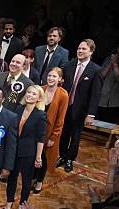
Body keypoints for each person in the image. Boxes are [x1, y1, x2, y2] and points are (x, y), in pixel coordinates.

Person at [57, 40, 104, 173]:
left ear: (91, 51)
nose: (80, 51)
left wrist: (91, 114)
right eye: (79, 48)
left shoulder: (96, 70)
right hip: (66, 107)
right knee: (64, 134)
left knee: (75, 136)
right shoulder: (69, 65)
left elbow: (95, 94)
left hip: (81, 110)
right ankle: (63, 156)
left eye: (84, 49)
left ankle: (70, 159)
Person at [4, 85, 47, 209]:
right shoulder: (18, 109)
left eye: (34, 94)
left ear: (39, 98)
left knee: (26, 180)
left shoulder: (40, 115)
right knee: (12, 177)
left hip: (28, 153)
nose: (29, 95)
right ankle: (9, 201)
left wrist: (38, 157)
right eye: (28, 92)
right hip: (14, 151)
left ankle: (22, 204)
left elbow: (41, 138)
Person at [33, 68, 69, 192]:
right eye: (49, 75)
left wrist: (54, 137)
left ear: (59, 79)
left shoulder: (63, 94)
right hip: (36, 130)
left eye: (54, 76)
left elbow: (61, 118)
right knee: (34, 154)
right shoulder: (40, 89)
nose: (51, 78)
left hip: (50, 133)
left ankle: (39, 181)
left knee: (44, 157)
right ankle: (33, 177)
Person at [98, 48, 119, 124]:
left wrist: (115, 65)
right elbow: (101, 75)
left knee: (109, 124)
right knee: (96, 123)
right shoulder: (108, 59)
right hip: (102, 98)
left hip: (114, 102)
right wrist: (111, 63)